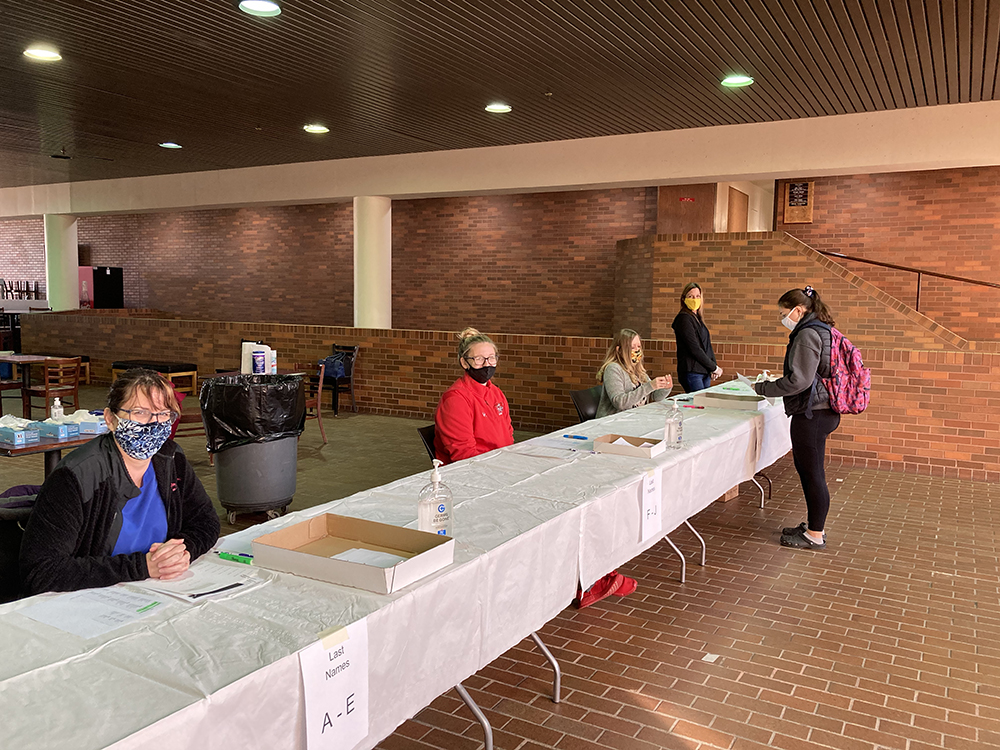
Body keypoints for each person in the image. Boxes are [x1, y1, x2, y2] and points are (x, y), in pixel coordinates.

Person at [20, 368, 221, 595]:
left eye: (164, 414)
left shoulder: (170, 458)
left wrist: (181, 551)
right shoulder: (77, 475)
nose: (153, 424)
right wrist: (142, 567)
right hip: (89, 601)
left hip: (158, 593)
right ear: (110, 419)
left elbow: (206, 521)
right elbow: (41, 571)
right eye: (140, 413)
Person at [753, 286, 839, 550]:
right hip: (822, 409)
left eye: (784, 313)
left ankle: (815, 533)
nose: (783, 319)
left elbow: (799, 380)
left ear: (798, 310)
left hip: (812, 412)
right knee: (809, 470)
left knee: (812, 473)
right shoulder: (821, 328)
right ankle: (814, 525)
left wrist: (764, 388)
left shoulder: (807, 334)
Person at [434, 327, 513, 464]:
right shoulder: (456, 399)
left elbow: (508, 436)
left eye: (492, 358)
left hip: (500, 463)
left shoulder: (496, 393)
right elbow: (464, 454)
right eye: (479, 359)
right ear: (464, 363)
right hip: (471, 471)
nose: (487, 364)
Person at [596, 328, 672, 418]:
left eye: (639, 346)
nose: (637, 350)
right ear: (619, 350)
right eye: (632, 347)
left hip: (636, 418)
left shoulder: (638, 370)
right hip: (615, 420)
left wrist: (664, 387)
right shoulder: (613, 369)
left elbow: (655, 397)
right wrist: (650, 386)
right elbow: (620, 403)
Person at [671, 282, 723, 392]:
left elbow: (706, 346)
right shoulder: (684, 319)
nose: (695, 299)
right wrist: (714, 368)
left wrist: (713, 366)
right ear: (684, 299)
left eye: (697, 296)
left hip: (704, 371)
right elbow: (694, 348)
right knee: (698, 406)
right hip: (692, 372)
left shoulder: (697, 319)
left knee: (703, 405)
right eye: (691, 296)